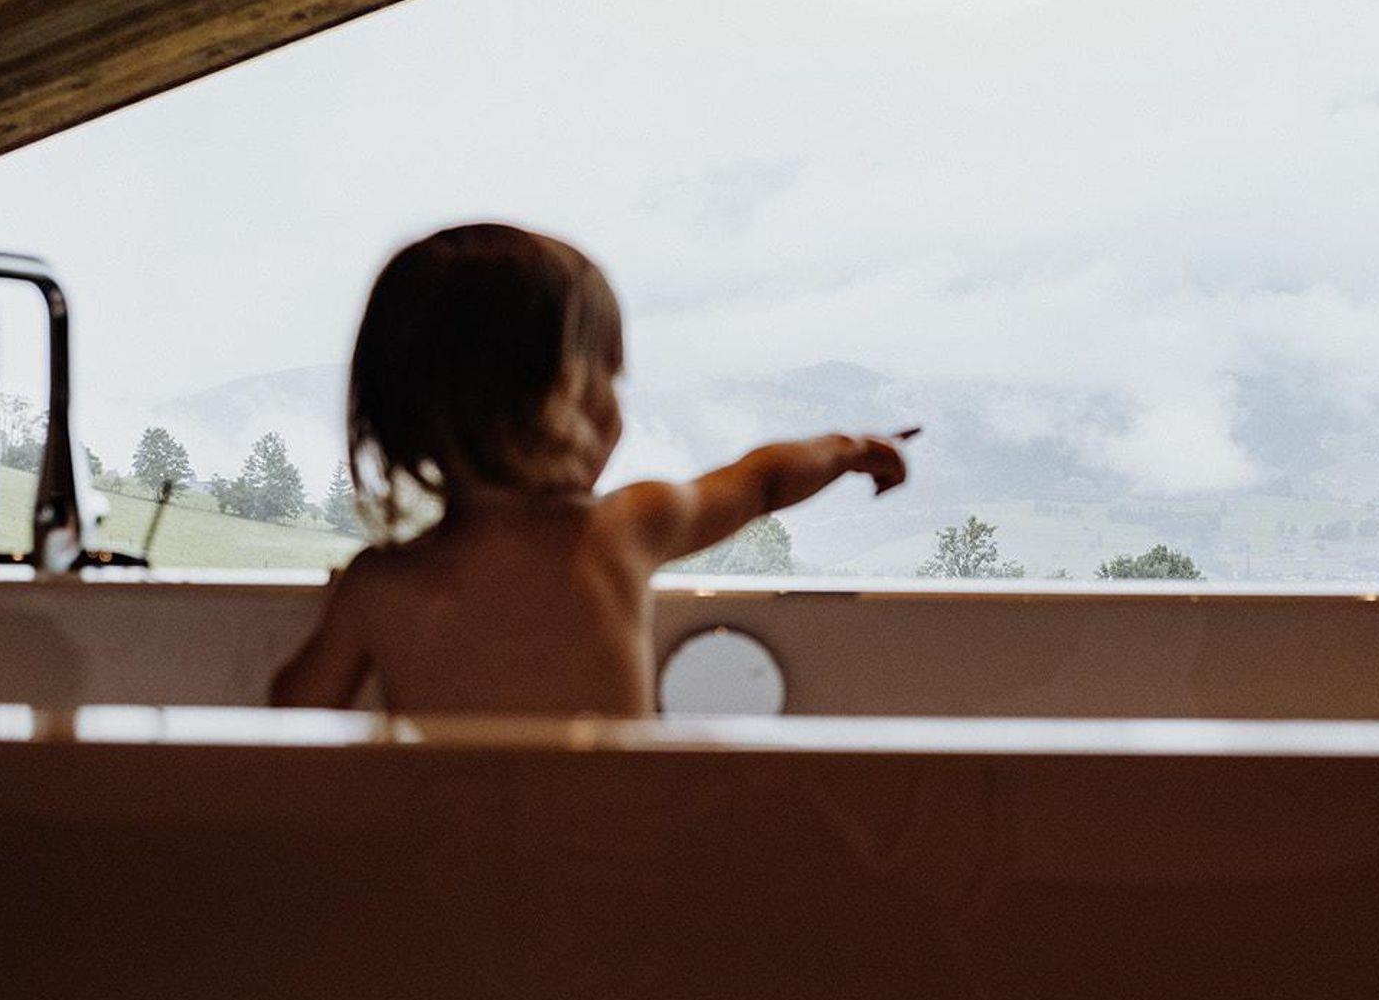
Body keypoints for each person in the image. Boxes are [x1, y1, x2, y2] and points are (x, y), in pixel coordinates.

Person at [268, 223, 911, 715]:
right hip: (613, 846)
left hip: (457, 853)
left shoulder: (379, 586)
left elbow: (293, 715)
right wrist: (850, 447)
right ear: (567, 401)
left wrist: (347, 609)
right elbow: (762, 481)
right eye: (611, 377)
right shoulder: (625, 529)